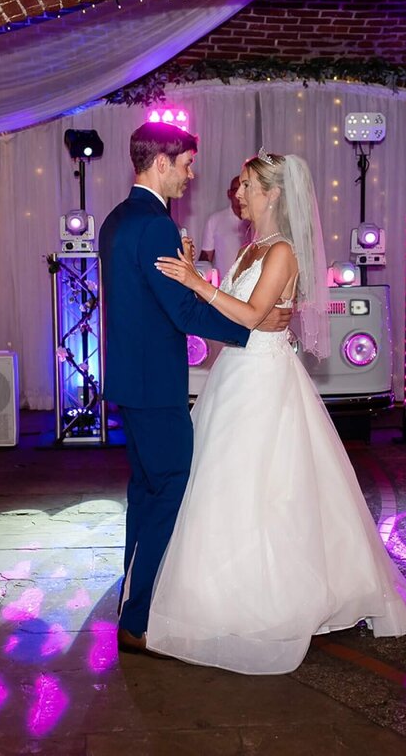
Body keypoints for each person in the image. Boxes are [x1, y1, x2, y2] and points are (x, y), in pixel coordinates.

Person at [149, 149, 406, 674]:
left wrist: (195, 282)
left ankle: (277, 598)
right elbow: (230, 311)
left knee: (265, 486)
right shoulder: (251, 250)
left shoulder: (283, 254)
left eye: (248, 185)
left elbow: (252, 316)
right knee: (223, 482)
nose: (239, 193)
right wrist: (196, 269)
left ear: (274, 193)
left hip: (265, 379)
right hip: (234, 375)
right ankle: (221, 590)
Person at [97, 123, 290, 657]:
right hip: (155, 386)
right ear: (161, 162)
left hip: (128, 381)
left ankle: (133, 594)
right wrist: (249, 330)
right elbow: (178, 309)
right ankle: (138, 622)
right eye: (185, 163)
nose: (192, 173)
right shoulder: (154, 225)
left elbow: (147, 295)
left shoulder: (118, 219)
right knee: (172, 488)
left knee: (145, 491)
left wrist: (191, 272)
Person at [197, 175, 252, 283]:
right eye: (236, 189)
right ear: (229, 193)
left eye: (244, 188)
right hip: (224, 287)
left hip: (251, 285)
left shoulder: (255, 221)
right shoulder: (215, 220)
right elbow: (206, 258)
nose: (239, 194)